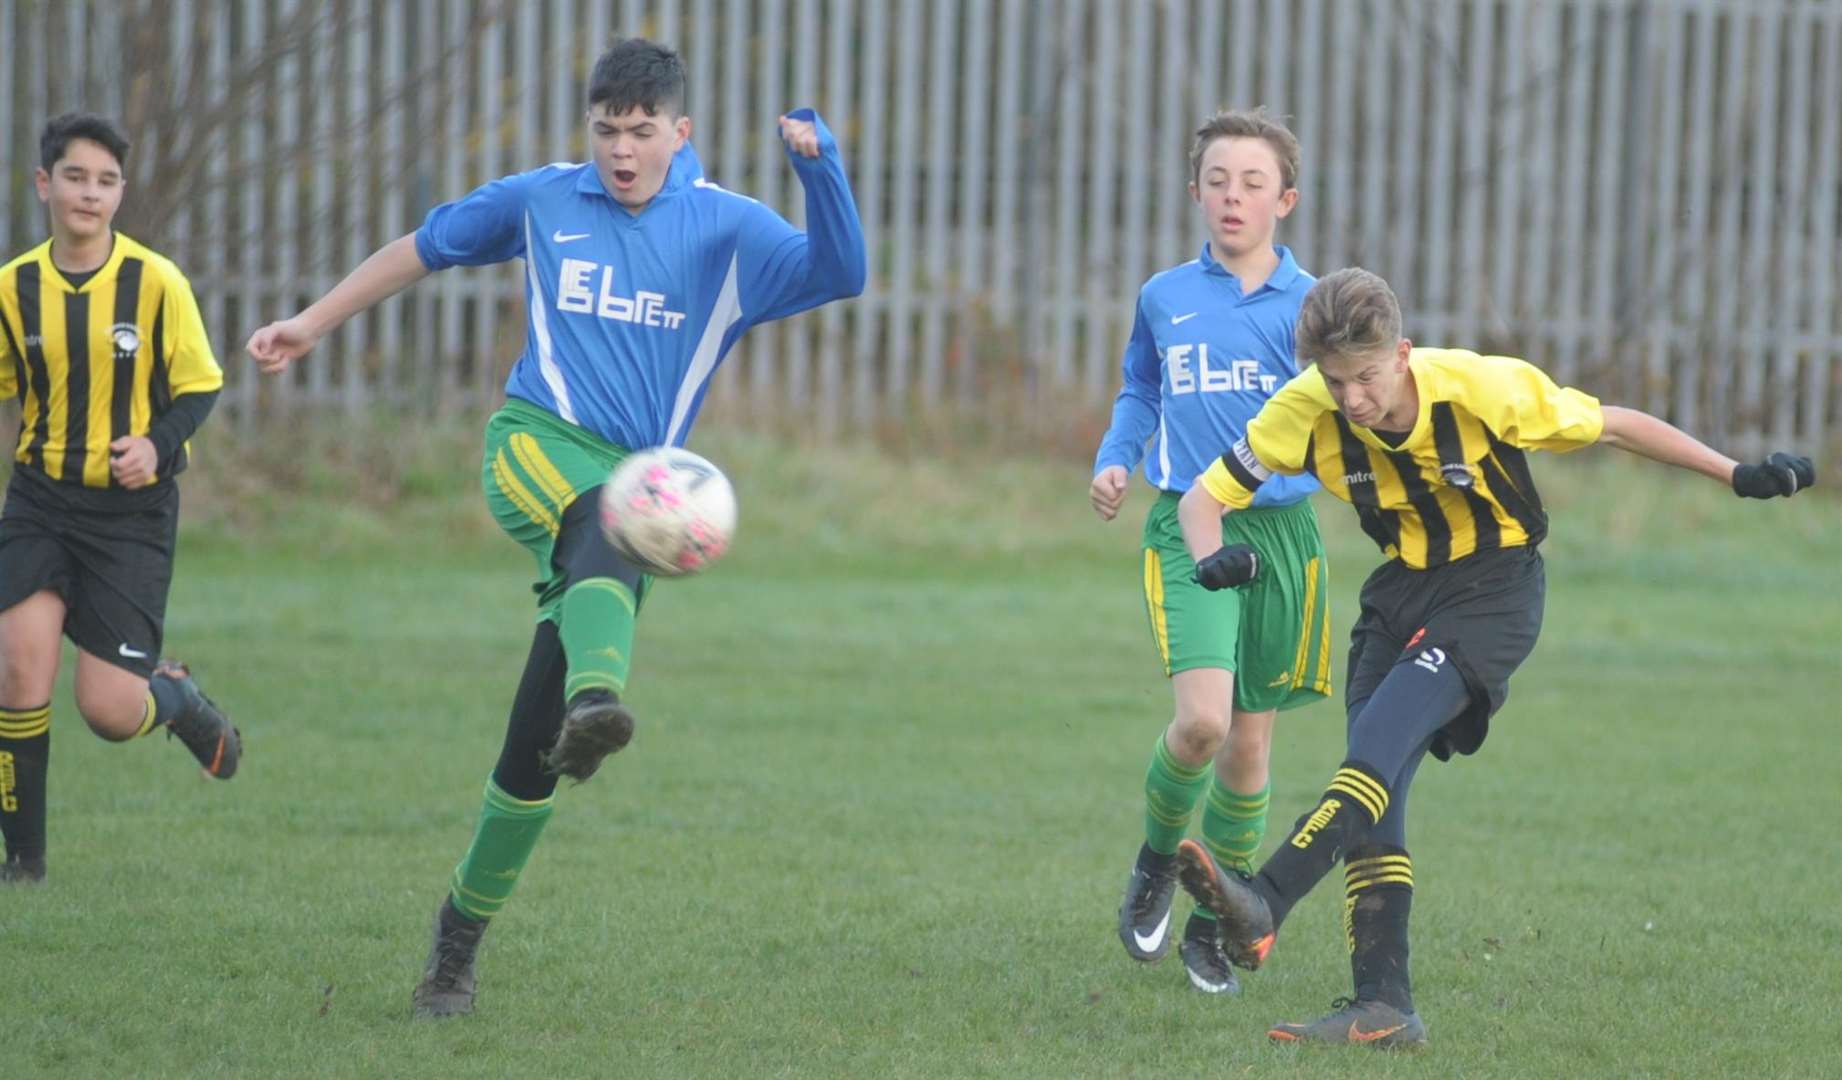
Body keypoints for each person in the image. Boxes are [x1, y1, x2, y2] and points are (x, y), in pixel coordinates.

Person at [244, 39, 865, 1017]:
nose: (621, 151)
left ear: (681, 132)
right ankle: (602, 697)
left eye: (642, 131)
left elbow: (843, 270)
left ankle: (455, 948)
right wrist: (311, 324)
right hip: (535, 447)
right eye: (606, 130)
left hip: (631, 499)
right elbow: (425, 244)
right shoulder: (542, 200)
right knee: (601, 522)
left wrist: (817, 165)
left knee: (530, 754)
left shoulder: (726, 232)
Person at [1170, 267, 1816, 1046]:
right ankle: (1384, 1006)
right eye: (1335, 381)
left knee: (1375, 751)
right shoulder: (1303, 410)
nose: (1353, 399)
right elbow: (1202, 500)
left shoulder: (1482, 389)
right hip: (1397, 595)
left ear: (1402, 353)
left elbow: (1611, 424)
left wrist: (1735, 472)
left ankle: (1266, 899)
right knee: (1377, 790)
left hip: (1494, 591)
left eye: (1367, 377)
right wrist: (1211, 559)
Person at [1091, 109, 1332, 995]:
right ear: (1196, 192)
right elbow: (1140, 386)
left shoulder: (1312, 309)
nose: (1234, 196)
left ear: (1287, 201)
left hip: (1283, 536)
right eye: (1219, 180)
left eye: (1253, 183)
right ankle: (1156, 862)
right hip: (1187, 522)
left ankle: (1213, 920)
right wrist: (1117, 457)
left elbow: (1349, 412)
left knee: (1250, 748)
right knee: (1203, 723)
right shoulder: (1165, 295)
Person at [0, 112, 241, 885]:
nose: (90, 194)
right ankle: (25, 866)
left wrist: (155, 445)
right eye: (75, 177)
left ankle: (173, 699)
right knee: (17, 670)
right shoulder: (12, 289)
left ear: (121, 194)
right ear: (44, 184)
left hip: (129, 519)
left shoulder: (155, 281)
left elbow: (202, 386)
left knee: (107, 712)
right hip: (39, 500)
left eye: (106, 182)